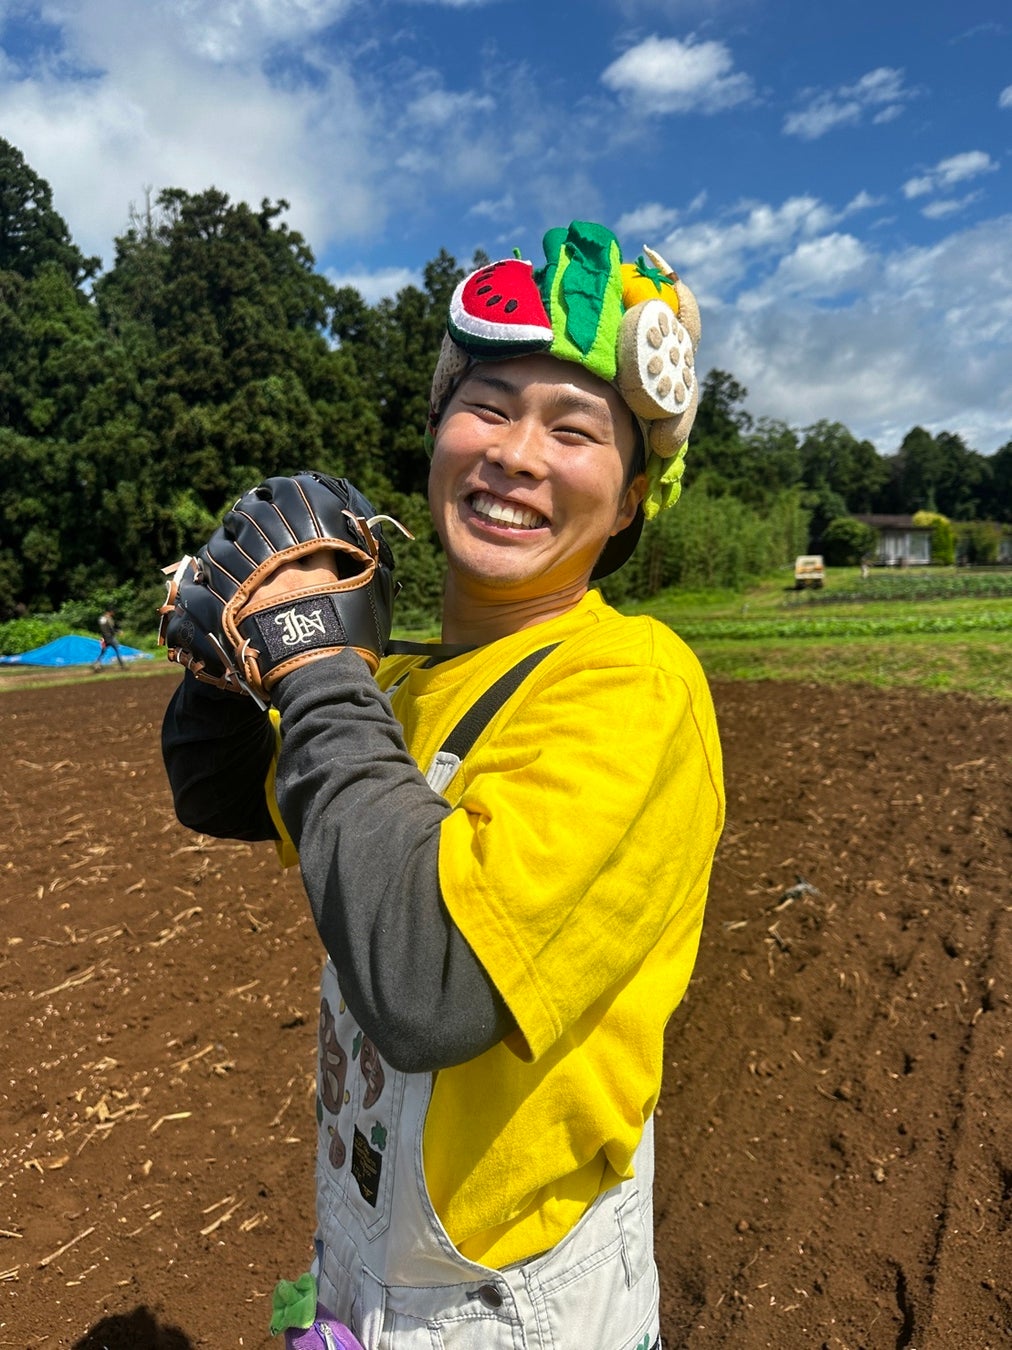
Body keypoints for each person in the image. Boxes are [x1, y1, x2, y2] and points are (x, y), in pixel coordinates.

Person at [161, 220, 724, 1349]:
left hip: (511, 1300)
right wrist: (236, 660)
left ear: (626, 504)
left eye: (574, 430)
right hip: (360, 1244)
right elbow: (219, 795)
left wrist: (314, 662)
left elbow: (429, 989)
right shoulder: (404, 686)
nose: (516, 452)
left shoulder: (632, 685)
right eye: (488, 405)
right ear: (434, 434)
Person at [93, 606, 125, 671]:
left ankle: (97, 665)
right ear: (109, 612)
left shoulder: (102, 618)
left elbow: (103, 629)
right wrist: (118, 632)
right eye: (112, 612)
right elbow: (110, 628)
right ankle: (122, 666)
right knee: (117, 649)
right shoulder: (108, 619)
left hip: (103, 638)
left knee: (103, 652)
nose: (113, 613)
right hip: (110, 637)